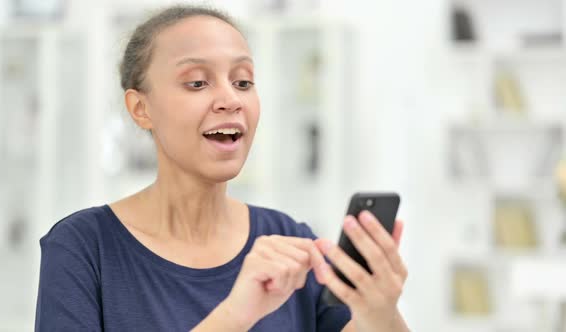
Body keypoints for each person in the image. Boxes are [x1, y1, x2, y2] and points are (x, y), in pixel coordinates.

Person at [35, 5, 409, 332]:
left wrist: (380, 314)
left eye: (243, 81)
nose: (230, 99)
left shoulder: (288, 239)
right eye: (197, 82)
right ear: (140, 109)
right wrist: (234, 316)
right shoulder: (83, 248)